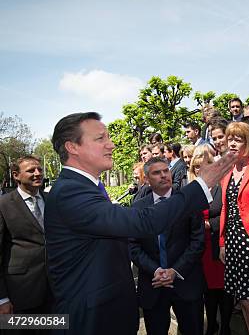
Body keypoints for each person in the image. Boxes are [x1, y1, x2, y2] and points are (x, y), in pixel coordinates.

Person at [45, 112, 234, 334]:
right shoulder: (70, 192)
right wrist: (202, 185)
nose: (112, 145)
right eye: (100, 138)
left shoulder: (85, 188)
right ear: (72, 147)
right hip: (91, 320)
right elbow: (143, 222)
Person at [128, 157, 205, 335]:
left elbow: (198, 241)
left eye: (166, 171)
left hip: (186, 283)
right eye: (156, 172)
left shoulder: (188, 200)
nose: (163, 175)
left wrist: (174, 271)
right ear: (146, 179)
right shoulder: (138, 207)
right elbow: (133, 245)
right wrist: (156, 270)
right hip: (153, 284)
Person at [218, 122, 249, 335]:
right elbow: (225, 209)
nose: (232, 143)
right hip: (232, 240)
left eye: (238, 139)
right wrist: (222, 243)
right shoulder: (228, 171)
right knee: (241, 298)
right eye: (230, 139)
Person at [0, 156, 53, 326]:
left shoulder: (52, 200)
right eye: (31, 170)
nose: (38, 173)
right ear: (16, 175)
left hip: (54, 291)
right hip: (20, 293)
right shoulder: (3, 205)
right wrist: (2, 299)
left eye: (39, 169)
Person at [189, 151, 234, 335]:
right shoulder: (192, 189)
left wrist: (208, 224)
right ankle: (211, 326)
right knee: (207, 289)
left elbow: (229, 213)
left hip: (219, 243)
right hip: (201, 247)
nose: (200, 169)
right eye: (196, 166)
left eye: (204, 165)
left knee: (223, 289)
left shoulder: (221, 185)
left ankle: (225, 327)